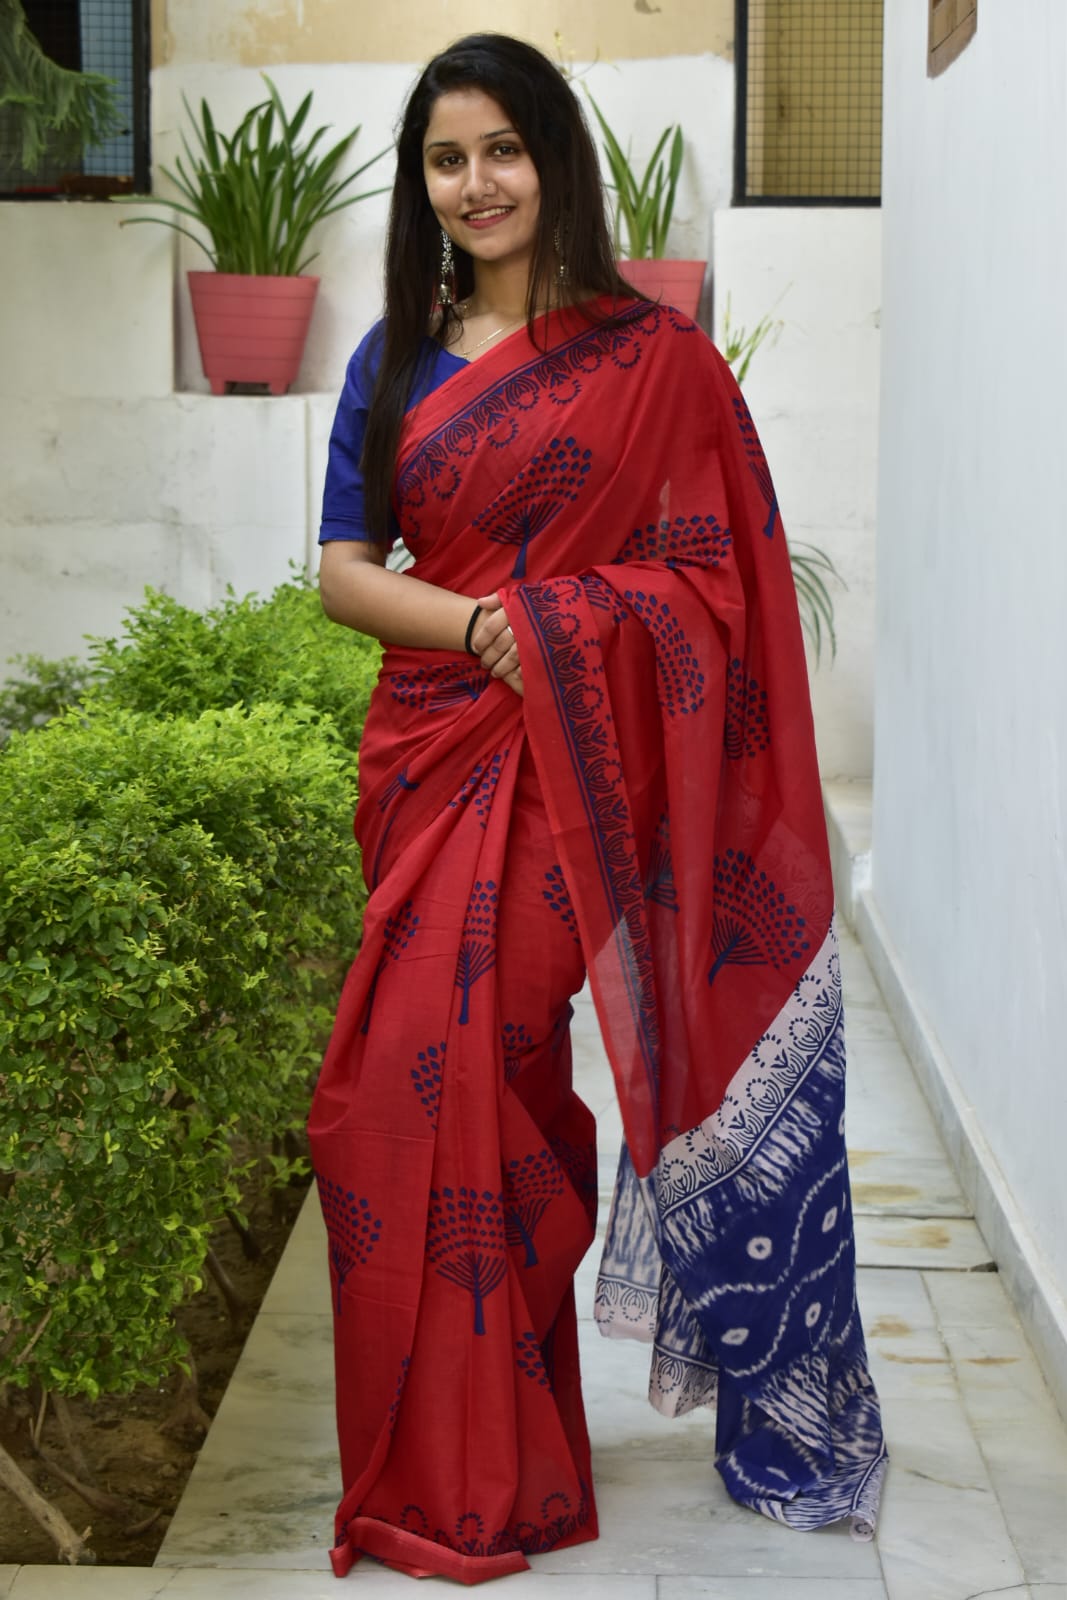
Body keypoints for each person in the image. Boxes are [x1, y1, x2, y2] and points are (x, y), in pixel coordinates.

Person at [309, 31, 886, 1585]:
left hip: (572, 777)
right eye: (447, 157)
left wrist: (558, 628)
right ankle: (480, 1454)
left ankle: (500, 1469)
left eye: (503, 148)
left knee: (483, 1062)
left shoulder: (658, 361)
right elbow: (344, 572)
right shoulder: (397, 356)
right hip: (436, 751)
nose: (476, 182)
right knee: (387, 1102)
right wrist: (487, 628)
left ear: (555, 158)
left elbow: (718, 584)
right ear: (421, 184)